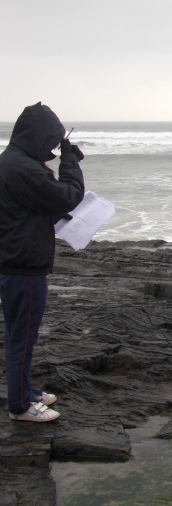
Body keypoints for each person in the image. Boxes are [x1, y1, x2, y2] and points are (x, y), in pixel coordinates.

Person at [0, 102, 85, 422]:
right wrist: (71, 162)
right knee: (22, 336)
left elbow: (33, 205)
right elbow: (68, 196)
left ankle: (24, 392)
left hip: (15, 260)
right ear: (38, 136)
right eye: (51, 139)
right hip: (22, 265)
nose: (52, 145)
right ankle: (20, 406)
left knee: (21, 333)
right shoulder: (24, 168)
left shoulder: (13, 162)